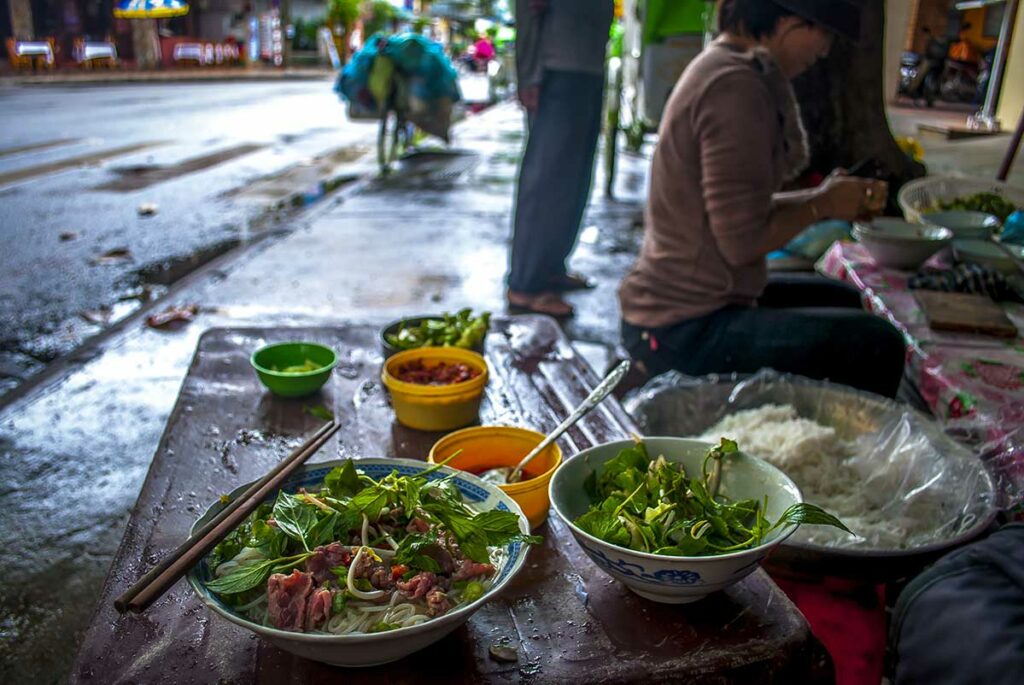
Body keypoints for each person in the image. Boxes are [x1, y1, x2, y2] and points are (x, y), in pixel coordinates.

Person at [618, 0, 906, 398]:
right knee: (878, 344)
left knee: (848, 298)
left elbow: (745, 206)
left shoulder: (731, 67)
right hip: (681, 327)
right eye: (824, 36)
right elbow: (743, 242)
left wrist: (826, 198)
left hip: (698, 299)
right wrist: (823, 206)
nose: (824, 51)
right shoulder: (734, 87)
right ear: (789, 24)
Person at [507, 0, 615, 318]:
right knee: (547, 178)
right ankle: (525, 285)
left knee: (575, 176)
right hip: (557, 68)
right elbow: (527, 8)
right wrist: (528, 76)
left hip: (587, 64)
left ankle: (551, 267)